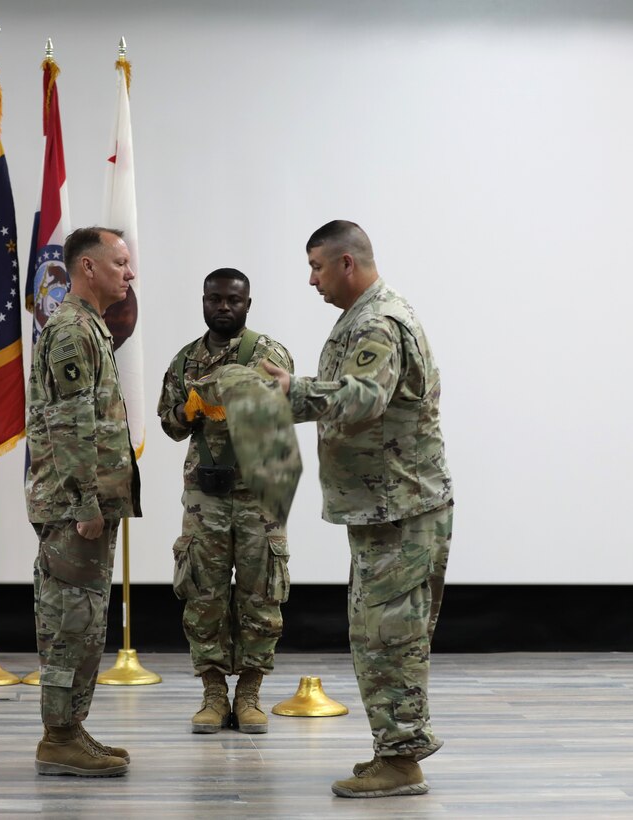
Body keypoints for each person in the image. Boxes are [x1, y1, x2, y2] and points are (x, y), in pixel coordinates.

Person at [264, 221, 453, 798]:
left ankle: (400, 762)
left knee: (389, 638)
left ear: (348, 263)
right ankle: (393, 752)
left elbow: (364, 398)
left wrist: (293, 391)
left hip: (399, 510)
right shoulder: (364, 316)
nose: (312, 279)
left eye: (318, 267)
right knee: (382, 634)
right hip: (385, 507)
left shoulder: (377, 322)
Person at [25, 227, 141, 777]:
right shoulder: (73, 331)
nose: (129, 272)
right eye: (120, 262)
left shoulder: (90, 326)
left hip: (87, 504)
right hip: (77, 508)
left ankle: (70, 726)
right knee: (70, 621)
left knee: (86, 621)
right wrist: (86, 502)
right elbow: (70, 425)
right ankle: (58, 736)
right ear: (88, 268)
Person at [157, 269, 294, 734]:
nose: (223, 307)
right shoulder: (184, 361)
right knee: (203, 593)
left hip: (259, 494)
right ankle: (214, 695)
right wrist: (187, 410)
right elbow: (169, 425)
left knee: (261, 594)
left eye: (233, 300)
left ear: (247, 304)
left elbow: (285, 412)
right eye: (214, 298)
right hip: (205, 498)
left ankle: (251, 695)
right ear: (203, 301)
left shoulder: (269, 354)